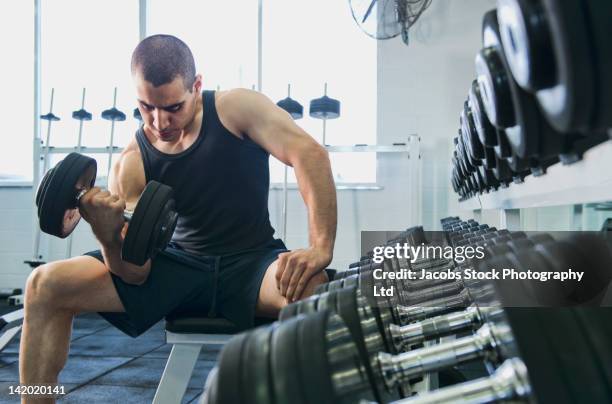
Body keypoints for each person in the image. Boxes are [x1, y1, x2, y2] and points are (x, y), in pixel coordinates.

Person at [19, 34, 336, 402]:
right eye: (146, 107)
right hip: (175, 266)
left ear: (197, 86)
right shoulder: (131, 161)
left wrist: (320, 247)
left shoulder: (235, 109)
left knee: (313, 289)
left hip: (250, 261)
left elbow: (309, 154)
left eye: (173, 107)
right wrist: (108, 237)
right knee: (45, 284)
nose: (159, 121)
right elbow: (136, 271)